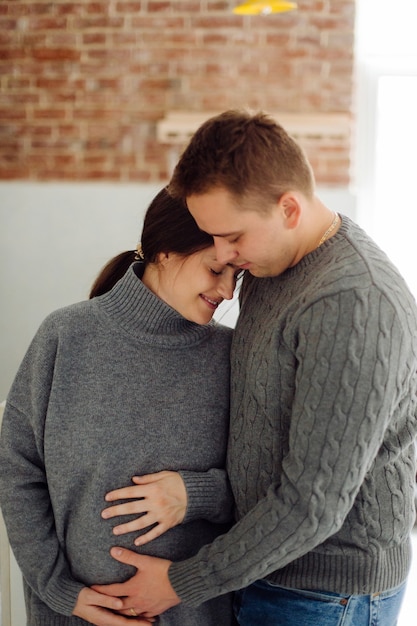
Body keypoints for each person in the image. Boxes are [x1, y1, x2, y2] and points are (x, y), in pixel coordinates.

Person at [92, 110, 417, 626]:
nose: (224, 255)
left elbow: (312, 504)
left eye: (233, 236)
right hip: (259, 568)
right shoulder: (272, 263)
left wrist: (179, 584)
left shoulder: (354, 302)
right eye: (211, 237)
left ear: (289, 208)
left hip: (322, 593)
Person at [0, 187, 240, 626]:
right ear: (165, 252)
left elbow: (263, 488)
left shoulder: (232, 356)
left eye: (235, 276)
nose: (227, 292)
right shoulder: (65, 336)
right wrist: (58, 590)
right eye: (216, 270)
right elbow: (18, 471)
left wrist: (196, 494)